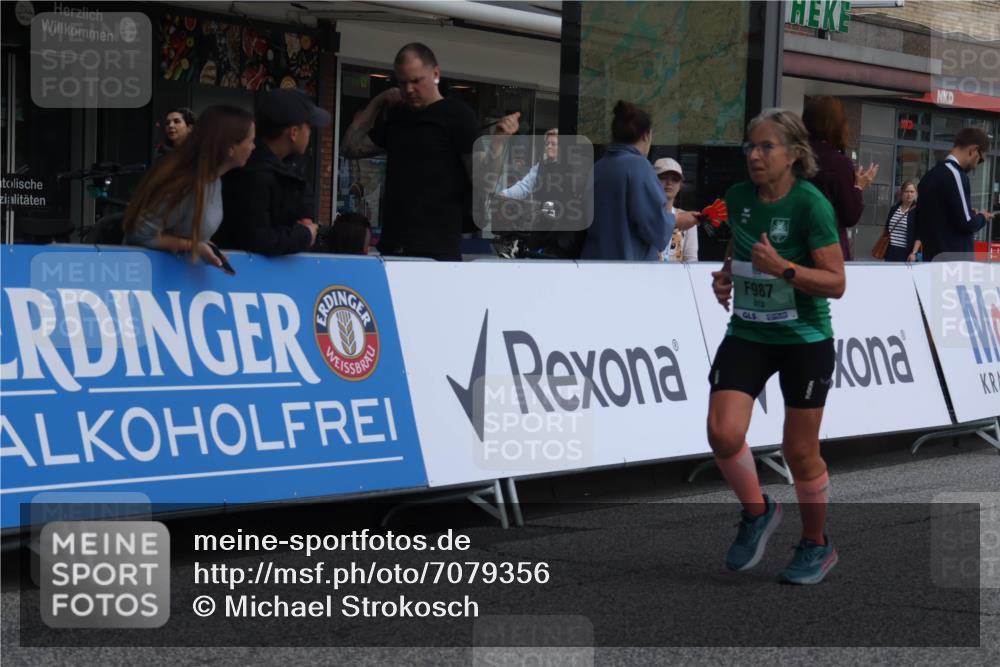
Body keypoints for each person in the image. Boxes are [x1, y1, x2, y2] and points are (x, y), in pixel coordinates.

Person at [707, 108, 845, 585]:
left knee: (798, 451)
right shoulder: (739, 196)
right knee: (723, 433)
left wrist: (783, 269)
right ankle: (758, 511)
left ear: (794, 155)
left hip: (804, 339)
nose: (755, 155)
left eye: (767, 147)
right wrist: (727, 275)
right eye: (751, 146)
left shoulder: (812, 205)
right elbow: (741, 247)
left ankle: (816, 544)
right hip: (747, 330)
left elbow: (835, 282)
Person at [340, 42, 519, 261]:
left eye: (416, 81)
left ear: (435, 75)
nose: (408, 90)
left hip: (436, 248)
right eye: (402, 82)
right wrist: (379, 101)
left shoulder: (457, 115)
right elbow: (350, 147)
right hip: (393, 245)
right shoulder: (400, 116)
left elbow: (483, 182)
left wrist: (499, 141)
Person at [123, 105, 254, 270]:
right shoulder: (184, 182)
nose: (253, 147)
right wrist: (192, 245)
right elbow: (139, 234)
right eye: (250, 141)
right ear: (231, 148)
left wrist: (201, 244)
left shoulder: (214, 178)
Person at [215, 89, 330, 255]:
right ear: (294, 132)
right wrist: (304, 235)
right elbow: (259, 238)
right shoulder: (254, 173)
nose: (310, 133)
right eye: (309, 127)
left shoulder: (283, 168)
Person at [579, 101, 674, 261]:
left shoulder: (599, 166)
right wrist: (676, 220)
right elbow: (657, 230)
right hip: (628, 271)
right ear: (646, 135)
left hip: (594, 265)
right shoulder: (639, 167)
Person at [802, 96, 878, 260]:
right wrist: (858, 187)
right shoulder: (838, 163)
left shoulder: (794, 156)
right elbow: (849, 216)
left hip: (794, 247)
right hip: (827, 250)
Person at [915, 127, 991, 261]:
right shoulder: (955, 174)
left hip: (933, 259)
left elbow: (928, 220)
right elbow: (967, 223)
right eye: (980, 160)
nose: (975, 166)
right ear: (973, 150)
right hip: (955, 263)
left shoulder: (929, 177)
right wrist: (982, 217)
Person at [653, 157, 700, 262]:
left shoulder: (688, 219)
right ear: (652, 181)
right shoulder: (644, 216)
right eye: (663, 177)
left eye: (675, 179)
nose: (669, 182)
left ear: (680, 185)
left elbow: (691, 260)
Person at [496, 129, 559, 199]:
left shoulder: (570, 167)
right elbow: (524, 186)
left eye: (553, 144)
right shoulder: (539, 167)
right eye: (547, 144)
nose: (549, 147)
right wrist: (505, 194)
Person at [883, 181, 920, 262]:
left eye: (912, 192)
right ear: (902, 193)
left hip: (906, 253)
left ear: (916, 193)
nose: (909, 194)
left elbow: (919, 235)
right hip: (890, 250)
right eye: (906, 191)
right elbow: (887, 228)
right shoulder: (894, 208)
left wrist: (914, 253)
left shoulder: (917, 211)